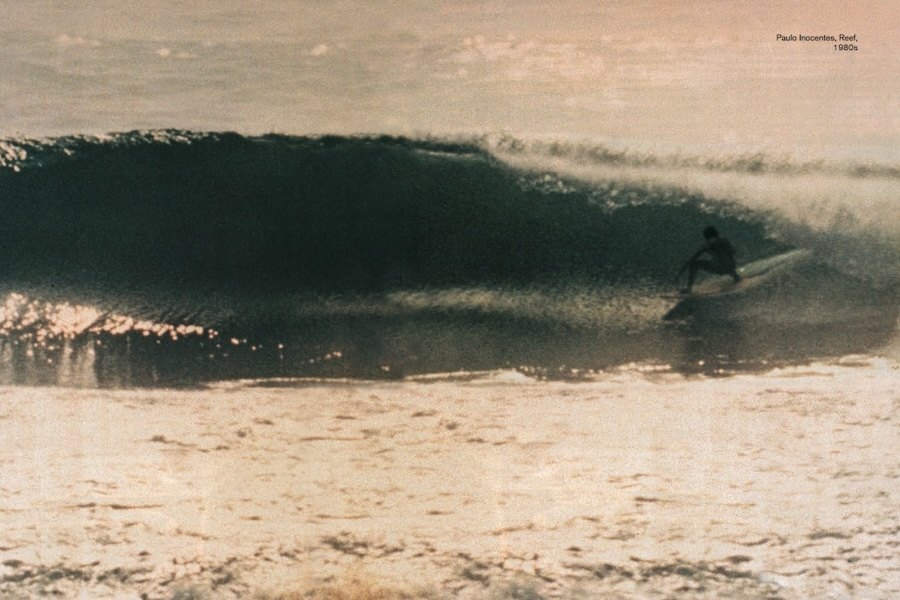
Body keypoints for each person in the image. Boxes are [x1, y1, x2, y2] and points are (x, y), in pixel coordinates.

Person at [678, 226, 741, 293]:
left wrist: (680, 273)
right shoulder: (725, 240)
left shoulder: (708, 244)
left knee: (694, 264)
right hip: (731, 266)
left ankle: (689, 288)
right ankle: (735, 276)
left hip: (720, 269)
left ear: (706, 236)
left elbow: (692, 259)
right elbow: (733, 251)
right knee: (723, 260)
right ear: (716, 233)